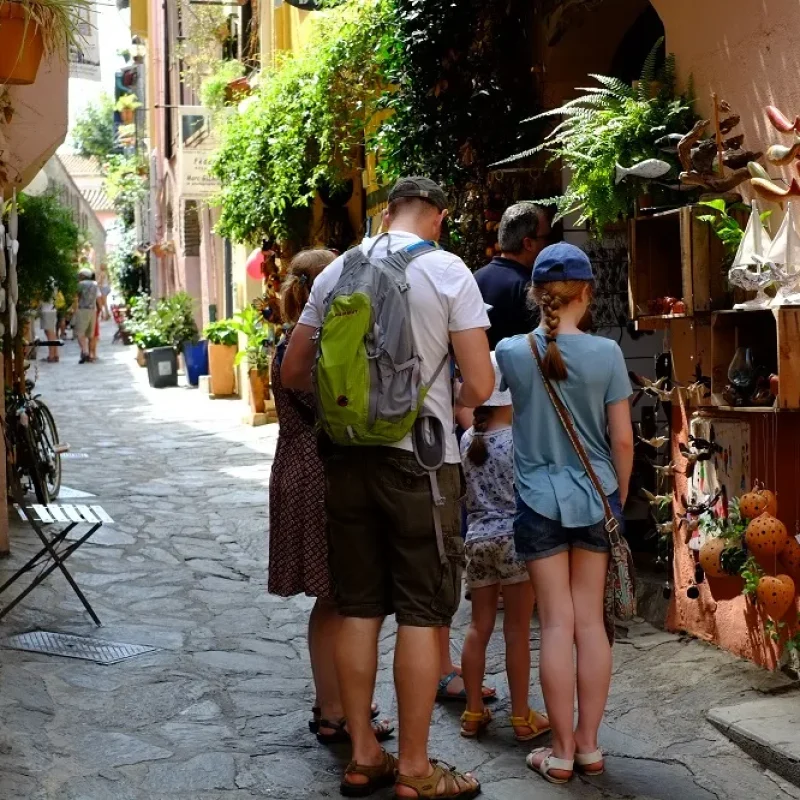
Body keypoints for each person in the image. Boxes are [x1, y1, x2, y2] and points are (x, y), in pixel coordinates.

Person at [282, 176, 494, 799]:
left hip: (345, 461)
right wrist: (455, 404)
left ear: (386, 212)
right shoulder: (449, 270)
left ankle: (365, 754)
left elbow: (296, 370)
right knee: (425, 615)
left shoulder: (336, 271)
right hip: (421, 463)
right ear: (437, 217)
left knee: (358, 607)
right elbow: (479, 381)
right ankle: (417, 768)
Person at [495, 243, 633, 785]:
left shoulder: (512, 351)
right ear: (587, 293)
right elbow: (621, 440)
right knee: (589, 624)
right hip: (594, 498)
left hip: (535, 500)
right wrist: (613, 498)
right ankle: (591, 748)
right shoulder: (607, 355)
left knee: (553, 624)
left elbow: (476, 396)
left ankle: (558, 751)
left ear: (535, 294)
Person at [268, 248, 391, 747]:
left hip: (298, 471)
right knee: (342, 596)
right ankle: (339, 711)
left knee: (331, 599)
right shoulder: (317, 349)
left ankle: (333, 702)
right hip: (322, 475)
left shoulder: (288, 342)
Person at [457, 353, 550, 743]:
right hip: (514, 540)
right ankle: (521, 716)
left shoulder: (467, 440)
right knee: (515, 631)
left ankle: (473, 710)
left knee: (478, 628)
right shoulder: (518, 441)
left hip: (476, 542)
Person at [473, 203, 551, 349]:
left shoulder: (475, 279)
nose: (548, 245)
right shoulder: (529, 288)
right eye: (546, 238)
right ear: (528, 243)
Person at [74, 267, 101, 363]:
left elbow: (76, 297)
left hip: (82, 310)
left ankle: (84, 351)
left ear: (82, 276)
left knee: (80, 333)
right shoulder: (95, 284)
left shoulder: (80, 284)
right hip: (93, 310)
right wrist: (100, 309)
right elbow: (98, 298)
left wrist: (74, 309)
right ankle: (91, 355)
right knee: (90, 334)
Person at [38, 284, 59, 363]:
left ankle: (51, 355)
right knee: (51, 333)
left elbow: (44, 297)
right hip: (50, 309)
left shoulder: (47, 281)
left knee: (50, 333)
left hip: (47, 310)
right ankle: (55, 354)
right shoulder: (52, 281)